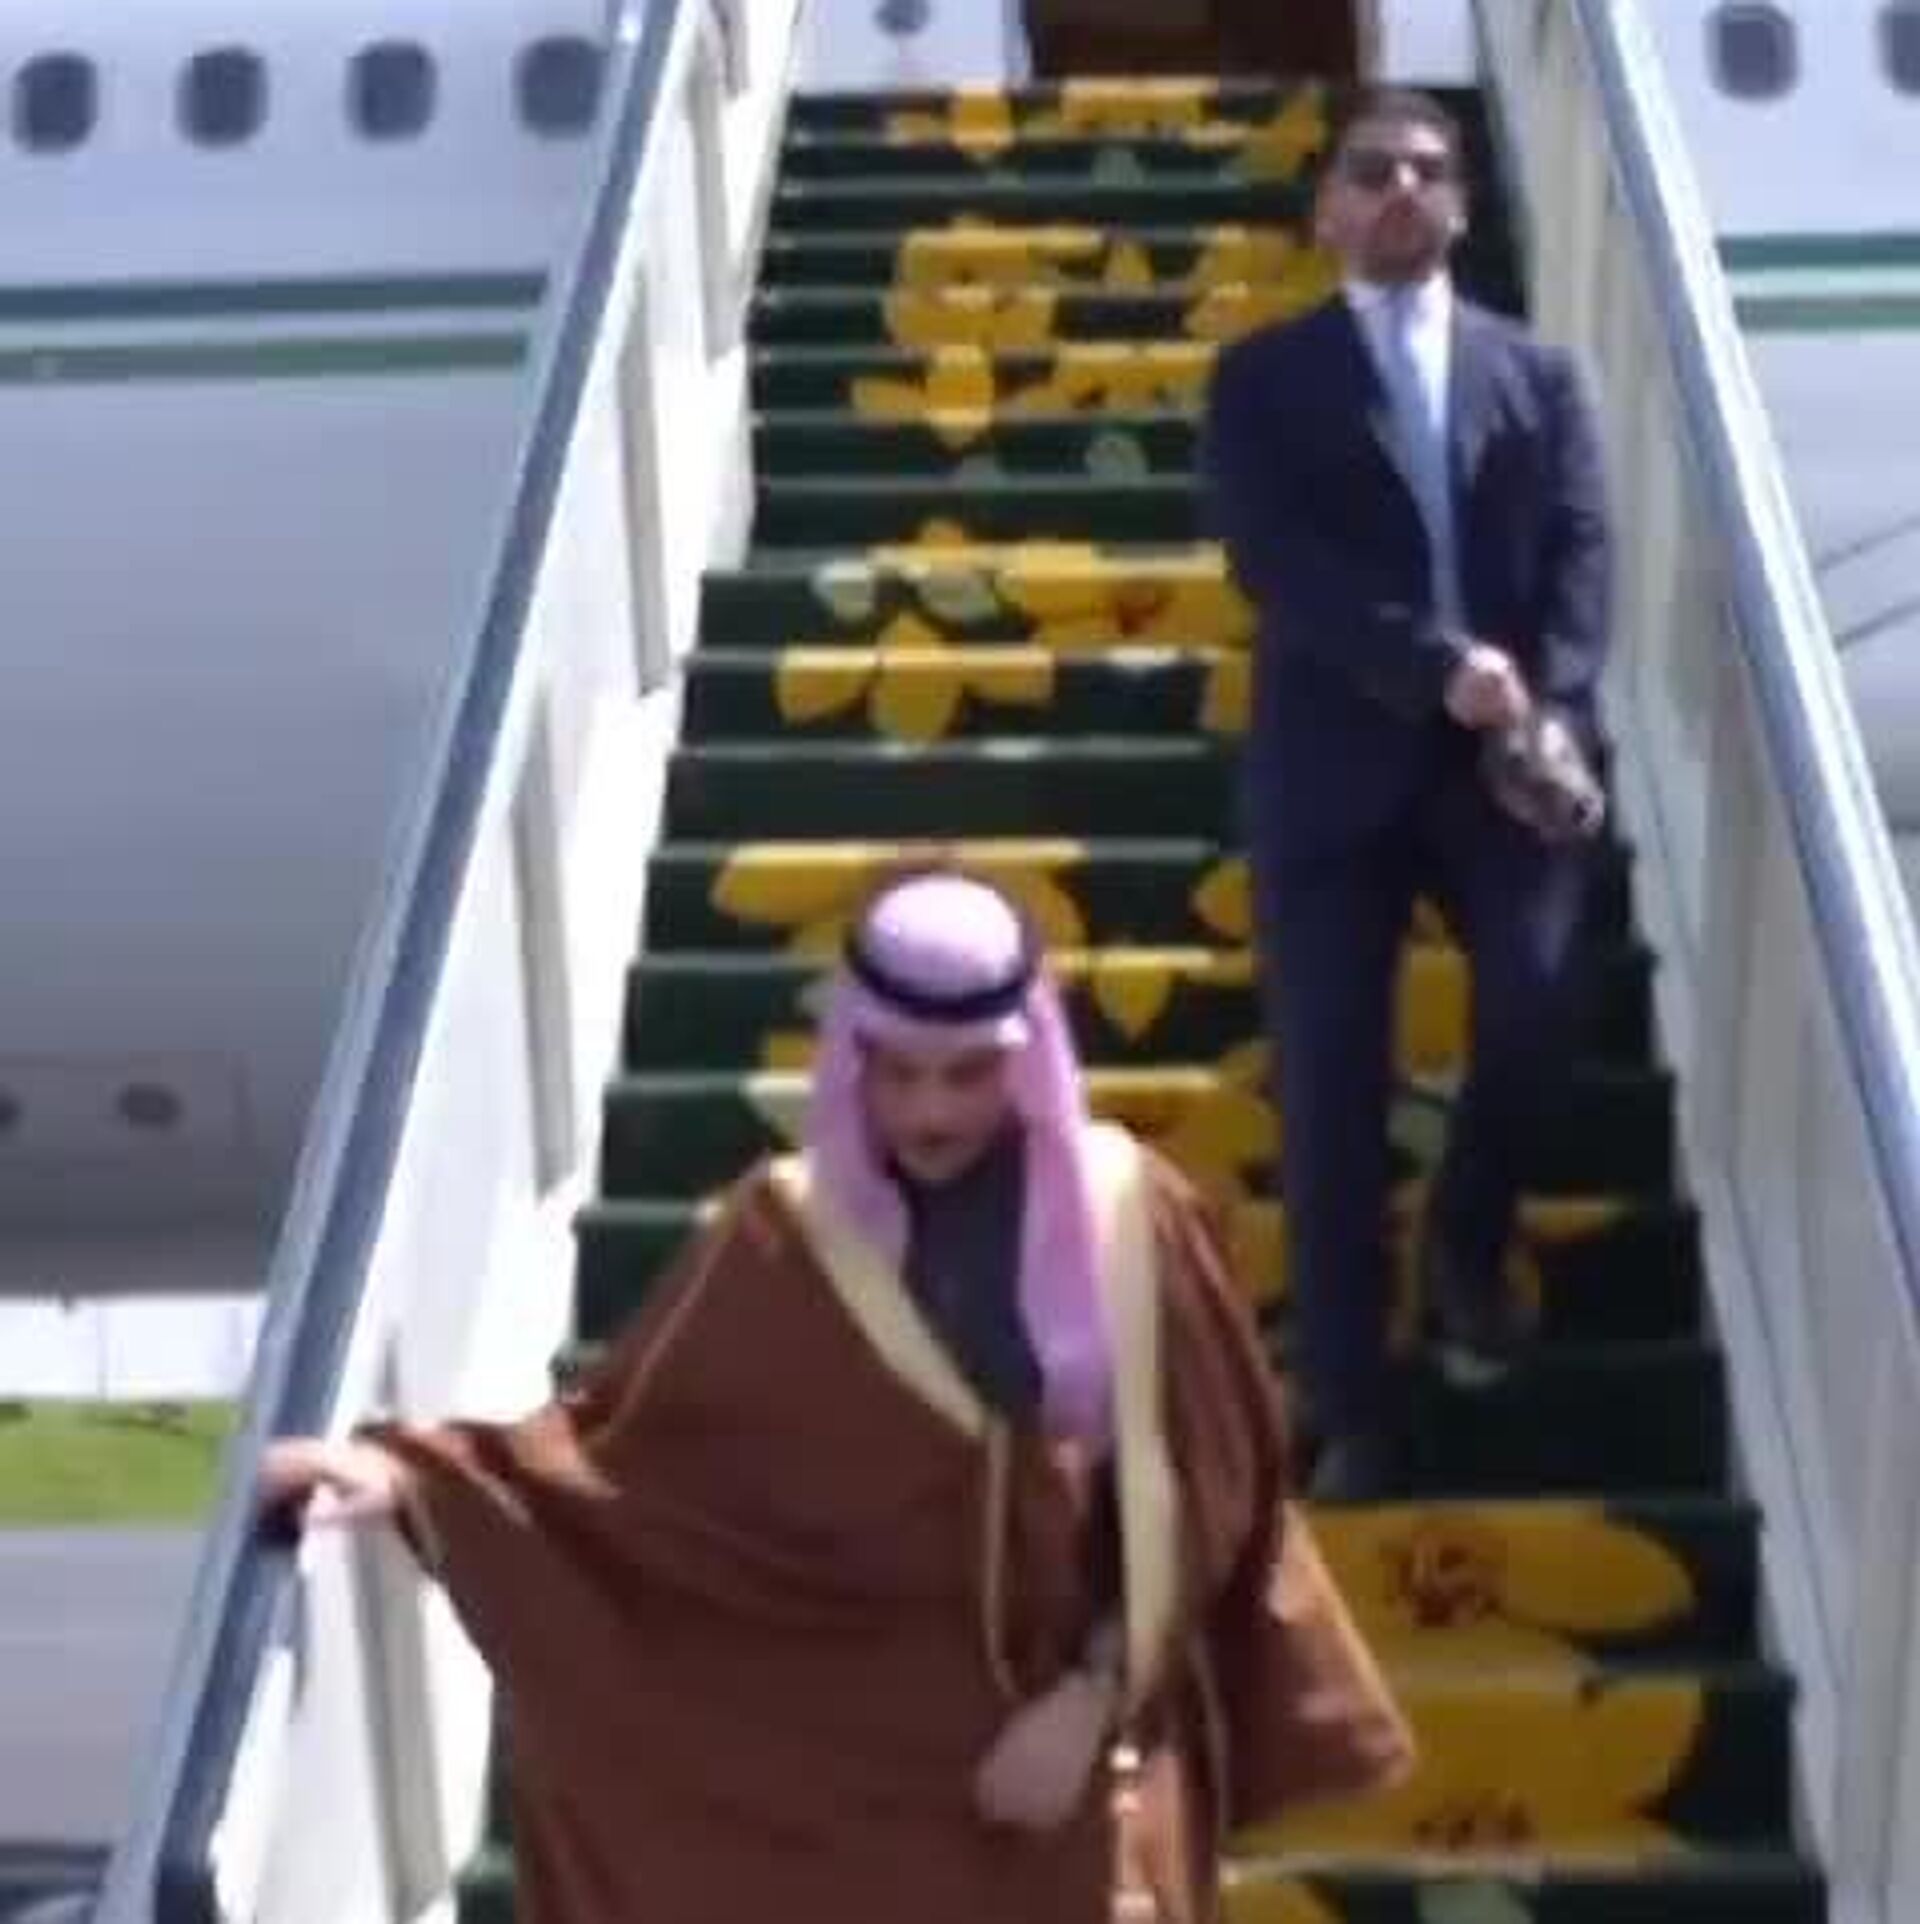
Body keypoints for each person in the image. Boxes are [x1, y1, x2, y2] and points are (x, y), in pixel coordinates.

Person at [260, 866, 1413, 1924]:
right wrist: (416, 1479)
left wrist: (1089, 1697)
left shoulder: (1130, 1217)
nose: (931, 1111)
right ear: (852, 1055)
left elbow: (1208, 1485)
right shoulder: (782, 1235)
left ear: (1026, 1059)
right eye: (898, 1071)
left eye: (968, 1072)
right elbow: (623, 1471)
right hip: (857, 1746)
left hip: (1074, 1751)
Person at [1199, 87, 1613, 1503]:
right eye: (1372, 170)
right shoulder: (1264, 378)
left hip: (1507, 769)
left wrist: (1554, 710)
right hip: (1337, 767)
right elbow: (1278, 566)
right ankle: (1354, 1404)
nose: (1401, 190)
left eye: (1429, 171)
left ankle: (1467, 1231)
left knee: (1540, 1007)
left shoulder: (1538, 376)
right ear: (1326, 208)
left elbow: (1584, 550)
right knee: (1331, 1089)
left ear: (1461, 206)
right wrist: (1438, 666)